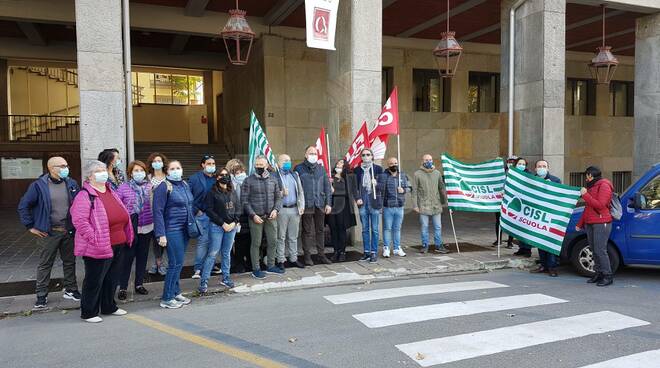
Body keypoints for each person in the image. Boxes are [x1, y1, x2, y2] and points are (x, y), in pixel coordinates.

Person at [70, 160, 133, 322]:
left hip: (118, 242)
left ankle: (108, 306)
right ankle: (89, 312)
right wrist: (95, 238)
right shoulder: (84, 196)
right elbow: (80, 221)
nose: (103, 172)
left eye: (104, 169)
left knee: (112, 278)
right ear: (90, 176)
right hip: (98, 245)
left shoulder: (110, 190)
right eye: (98, 170)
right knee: (94, 280)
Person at [18, 156, 81, 309]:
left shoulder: (71, 183)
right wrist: (30, 226)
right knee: (45, 264)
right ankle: (41, 294)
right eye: (62, 165)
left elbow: (79, 203)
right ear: (52, 168)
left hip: (68, 230)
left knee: (69, 261)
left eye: (66, 165)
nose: (66, 168)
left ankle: (71, 289)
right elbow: (23, 206)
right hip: (48, 232)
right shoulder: (38, 185)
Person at [152, 160, 194, 308]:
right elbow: (157, 212)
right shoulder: (163, 187)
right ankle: (167, 297)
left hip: (184, 230)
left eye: (178, 167)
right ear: (167, 171)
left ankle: (176, 292)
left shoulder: (184, 185)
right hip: (171, 230)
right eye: (172, 168)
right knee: (175, 264)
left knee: (179, 263)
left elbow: (190, 206)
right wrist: (160, 234)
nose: (176, 170)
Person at [116, 160, 153, 300]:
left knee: (143, 257)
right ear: (130, 173)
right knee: (127, 258)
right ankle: (123, 287)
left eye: (141, 170)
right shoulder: (123, 188)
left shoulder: (149, 186)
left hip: (147, 226)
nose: (139, 173)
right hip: (130, 228)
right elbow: (119, 207)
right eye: (136, 170)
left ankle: (139, 284)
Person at [241, 156, 283, 279]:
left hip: (271, 216)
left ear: (267, 165)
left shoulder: (273, 179)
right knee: (256, 243)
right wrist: (252, 215)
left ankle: (271, 266)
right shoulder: (248, 180)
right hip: (256, 217)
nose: (259, 167)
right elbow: (244, 201)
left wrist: (276, 210)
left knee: (273, 241)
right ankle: (256, 269)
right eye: (257, 164)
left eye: (261, 164)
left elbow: (278, 197)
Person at [201, 168, 240, 291]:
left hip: (232, 227)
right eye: (221, 175)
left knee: (226, 253)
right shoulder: (211, 192)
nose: (224, 177)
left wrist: (234, 222)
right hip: (217, 227)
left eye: (226, 175)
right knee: (213, 253)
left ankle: (226, 278)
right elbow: (209, 210)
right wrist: (222, 223)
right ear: (217, 177)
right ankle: (204, 281)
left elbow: (238, 208)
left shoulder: (232, 191)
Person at [577, 166, 615, 287]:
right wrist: (580, 224)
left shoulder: (604, 185)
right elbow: (588, 208)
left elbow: (600, 205)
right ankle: (598, 273)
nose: (586, 178)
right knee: (594, 250)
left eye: (587, 176)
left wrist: (585, 195)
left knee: (600, 250)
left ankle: (608, 275)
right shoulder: (592, 186)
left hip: (601, 222)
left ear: (591, 175)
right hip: (591, 222)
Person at [294, 146, 333, 266]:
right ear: (305, 154)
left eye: (315, 153)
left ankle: (321, 255)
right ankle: (307, 256)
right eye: (310, 153)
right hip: (306, 204)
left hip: (320, 203)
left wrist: (328, 203)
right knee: (307, 231)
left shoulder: (321, 169)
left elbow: (327, 187)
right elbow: (295, 188)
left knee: (320, 230)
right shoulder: (299, 168)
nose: (313, 155)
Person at [273, 154, 305, 269]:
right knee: (280, 237)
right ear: (279, 162)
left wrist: (302, 206)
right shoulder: (274, 176)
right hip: (282, 209)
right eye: (285, 160)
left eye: (289, 160)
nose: (288, 162)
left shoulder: (294, 175)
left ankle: (293, 258)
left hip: (295, 209)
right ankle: (281, 259)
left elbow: (300, 191)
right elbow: (271, 193)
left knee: (293, 236)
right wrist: (281, 193)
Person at [530, 159, 561, 277]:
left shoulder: (555, 180)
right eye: (539, 166)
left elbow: (559, 197)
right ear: (535, 168)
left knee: (550, 242)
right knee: (540, 241)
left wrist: (550, 186)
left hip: (551, 217)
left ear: (548, 168)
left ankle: (552, 267)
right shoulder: (531, 180)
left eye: (544, 166)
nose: (541, 168)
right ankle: (543, 265)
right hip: (537, 216)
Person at [412, 154, 449, 254]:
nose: (428, 161)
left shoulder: (437, 173)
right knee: (424, 226)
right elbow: (414, 191)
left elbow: (441, 188)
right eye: (426, 160)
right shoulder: (417, 174)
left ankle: (438, 245)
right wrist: (415, 205)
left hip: (436, 205)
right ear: (422, 161)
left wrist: (445, 201)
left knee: (438, 226)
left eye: (430, 159)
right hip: (423, 205)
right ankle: (425, 245)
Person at [353, 148, 383, 263]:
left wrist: (377, 183)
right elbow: (354, 187)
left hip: (374, 202)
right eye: (363, 155)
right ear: (361, 157)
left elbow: (383, 186)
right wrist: (357, 198)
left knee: (374, 229)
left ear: (372, 156)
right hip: (362, 202)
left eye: (368, 154)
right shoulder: (357, 170)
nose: (366, 156)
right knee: (365, 229)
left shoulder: (378, 169)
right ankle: (366, 252)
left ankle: (374, 252)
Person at [189, 155, 217, 279]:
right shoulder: (194, 178)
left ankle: (211, 265)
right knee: (203, 242)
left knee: (214, 242)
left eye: (213, 163)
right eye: (209, 163)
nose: (211, 166)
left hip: (215, 215)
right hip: (202, 215)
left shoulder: (217, 178)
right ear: (203, 165)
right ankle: (198, 268)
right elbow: (189, 197)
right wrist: (196, 211)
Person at [379, 157, 410, 258]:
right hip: (388, 207)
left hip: (399, 206)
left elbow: (410, 187)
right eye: (391, 163)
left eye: (395, 163)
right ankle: (386, 248)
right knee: (387, 228)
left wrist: (404, 190)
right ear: (388, 165)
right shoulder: (383, 176)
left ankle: (397, 248)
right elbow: (378, 189)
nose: (394, 165)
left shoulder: (403, 175)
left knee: (397, 228)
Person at [328, 160, 357, 262]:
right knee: (333, 229)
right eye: (337, 163)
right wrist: (329, 187)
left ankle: (342, 252)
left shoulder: (349, 177)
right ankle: (336, 251)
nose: (338, 164)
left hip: (343, 206)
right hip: (332, 206)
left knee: (341, 228)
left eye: (340, 162)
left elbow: (353, 190)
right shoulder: (330, 177)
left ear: (345, 165)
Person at [227, 160, 251, 273]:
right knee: (238, 242)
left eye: (241, 171)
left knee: (248, 240)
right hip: (236, 216)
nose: (240, 174)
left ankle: (249, 262)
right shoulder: (229, 184)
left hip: (249, 215)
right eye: (237, 172)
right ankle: (238, 263)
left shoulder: (249, 182)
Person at [147, 152, 168, 276]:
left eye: (159, 161)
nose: (157, 163)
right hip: (152, 213)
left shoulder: (168, 176)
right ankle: (158, 263)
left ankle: (160, 263)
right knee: (156, 239)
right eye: (154, 161)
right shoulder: (148, 178)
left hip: (167, 213)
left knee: (165, 239)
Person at [493, 155, 517, 248]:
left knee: (511, 221)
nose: (510, 163)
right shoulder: (501, 172)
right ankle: (498, 240)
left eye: (513, 162)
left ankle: (510, 242)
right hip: (500, 200)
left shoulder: (518, 175)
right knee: (498, 220)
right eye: (509, 161)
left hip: (512, 201)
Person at [512, 157, 533, 257]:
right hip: (516, 204)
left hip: (526, 204)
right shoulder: (512, 175)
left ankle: (527, 249)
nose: (521, 166)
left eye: (523, 164)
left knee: (526, 227)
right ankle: (521, 248)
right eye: (520, 164)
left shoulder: (529, 176)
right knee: (518, 227)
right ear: (516, 165)